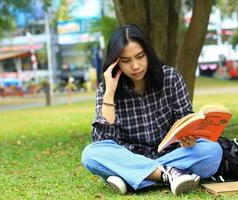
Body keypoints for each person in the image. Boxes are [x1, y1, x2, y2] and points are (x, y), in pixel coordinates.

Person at [81, 24, 222, 196]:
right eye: (126, 61)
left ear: (148, 53)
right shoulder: (107, 89)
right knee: (90, 155)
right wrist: (109, 94)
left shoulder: (170, 78)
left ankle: (130, 177)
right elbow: (103, 143)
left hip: (170, 153)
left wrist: (188, 138)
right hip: (129, 155)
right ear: (115, 63)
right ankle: (169, 173)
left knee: (212, 151)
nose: (135, 66)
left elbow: (185, 120)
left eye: (140, 57)